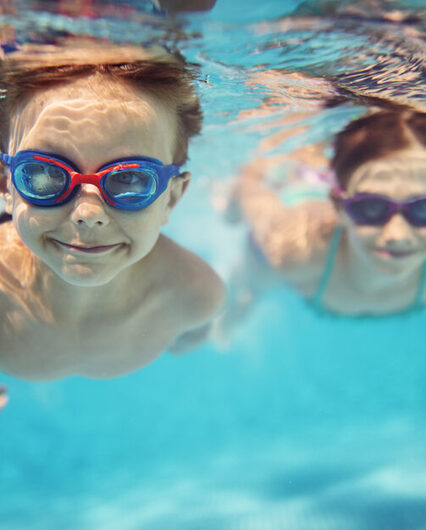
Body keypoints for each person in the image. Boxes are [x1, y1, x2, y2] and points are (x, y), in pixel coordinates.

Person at [0, 41, 225, 380]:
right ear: (6, 187)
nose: (88, 213)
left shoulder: (194, 294)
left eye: (130, 178)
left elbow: (195, 336)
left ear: (172, 199)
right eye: (44, 173)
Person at [218, 109, 426, 337]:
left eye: (423, 208)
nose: (398, 235)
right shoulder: (295, 250)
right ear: (339, 208)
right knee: (250, 287)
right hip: (297, 188)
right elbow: (248, 184)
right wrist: (231, 215)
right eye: (371, 208)